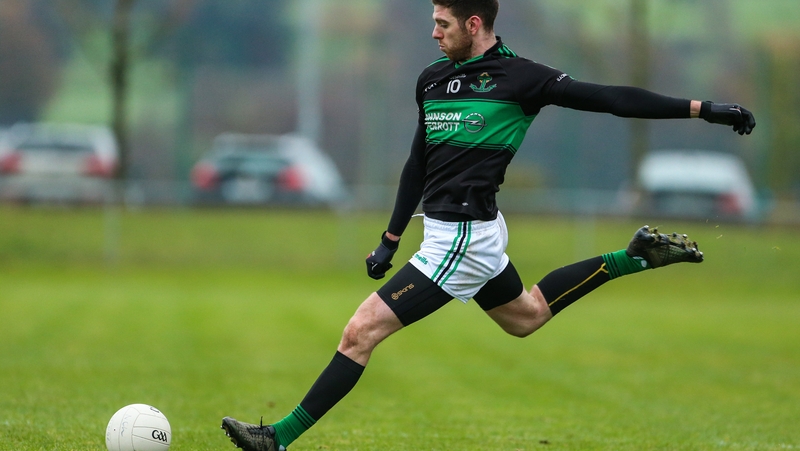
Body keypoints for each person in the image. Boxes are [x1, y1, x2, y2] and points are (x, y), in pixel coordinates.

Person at [221, 1, 756, 449]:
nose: (433, 33)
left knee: (360, 331)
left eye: (443, 24)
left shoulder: (521, 78)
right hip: (445, 232)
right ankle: (632, 256)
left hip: (464, 239)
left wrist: (703, 109)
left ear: (474, 25)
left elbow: (611, 99)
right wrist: (390, 236)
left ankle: (278, 438)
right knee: (525, 316)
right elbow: (418, 162)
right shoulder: (432, 79)